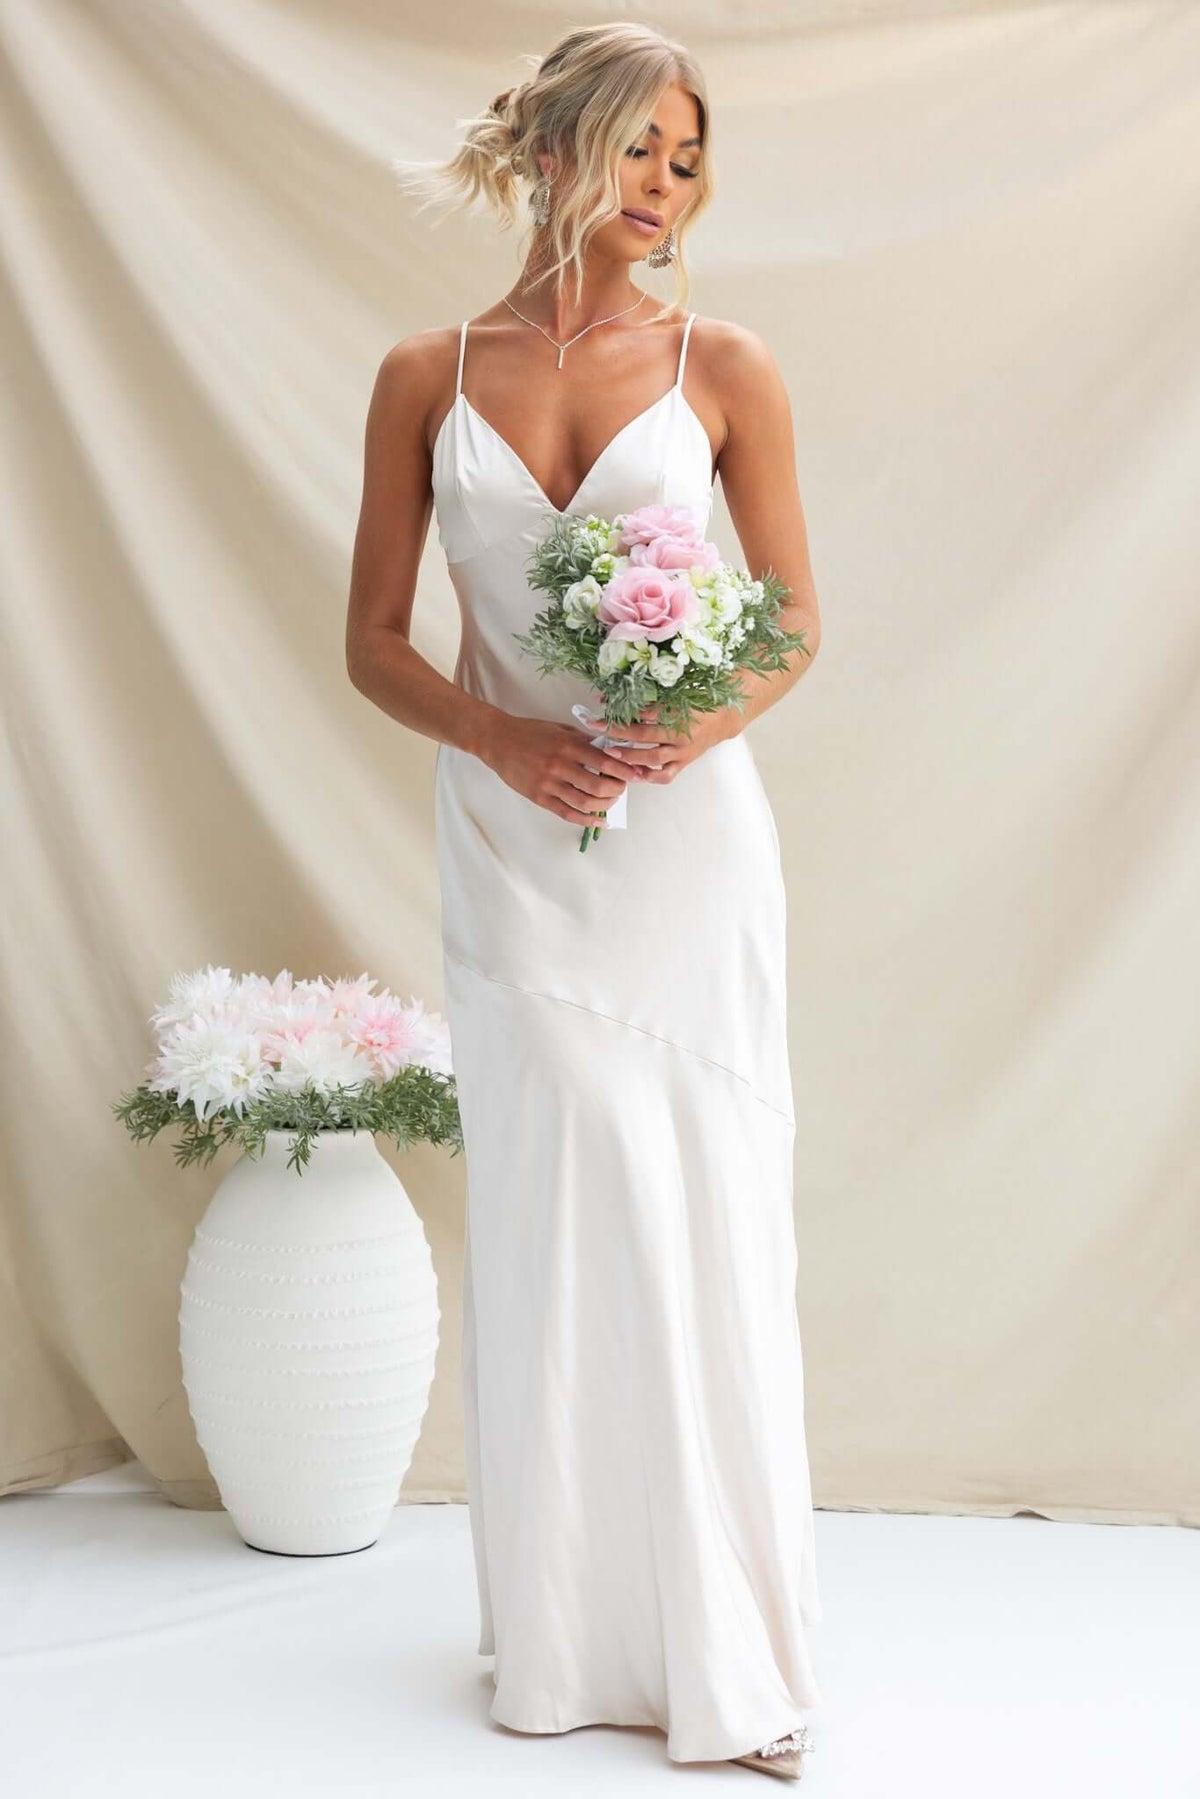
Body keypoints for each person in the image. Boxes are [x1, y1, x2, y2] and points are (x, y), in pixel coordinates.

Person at [347, 20, 823, 1781]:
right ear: (554, 152)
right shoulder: (425, 371)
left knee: (695, 1204)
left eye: (688, 163)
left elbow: (794, 620)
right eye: (641, 152)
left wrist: (686, 722)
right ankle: (561, 1643)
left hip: (682, 851)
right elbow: (374, 644)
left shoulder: (728, 364)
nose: (667, 191)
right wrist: (500, 740)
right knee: (553, 1219)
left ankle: (735, 1658)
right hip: (510, 844)